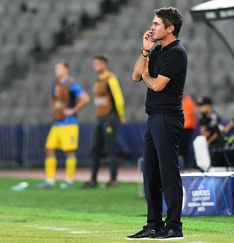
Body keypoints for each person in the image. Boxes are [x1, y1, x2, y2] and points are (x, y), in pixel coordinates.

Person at [128, 7, 186, 240]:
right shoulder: (157, 50)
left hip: (167, 117)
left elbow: (157, 85)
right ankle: (153, 224)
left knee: (168, 171)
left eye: (156, 24)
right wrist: (145, 51)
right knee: (150, 172)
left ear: (169, 28)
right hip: (153, 116)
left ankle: (174, 226)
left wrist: (146, 75)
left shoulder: (176, 53)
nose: (151, 28)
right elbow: (135, 76)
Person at [37, 60, 90, 189]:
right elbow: (54, 99)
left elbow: (85, 98)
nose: (57, 71)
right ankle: (50, 180)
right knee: (49, 148)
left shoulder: (71, 84)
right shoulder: (55, 85)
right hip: (57, 123)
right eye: (56, 69)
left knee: (69, 151)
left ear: (66, 70)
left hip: (69, 124)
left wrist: (73, 110)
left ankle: (68, 180)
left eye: (59, 68)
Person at [83, 55, 125, 188]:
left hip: (110, 117)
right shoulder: (98, 80)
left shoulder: (110, 78)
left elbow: (118, 98)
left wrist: (121, 115)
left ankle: (113, 179)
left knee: (110, 148)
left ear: (104, 64)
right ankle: (93, 179)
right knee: (95, 148)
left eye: (97, 64)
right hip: (100, 118)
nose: (94, 66)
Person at [179, 95, 197, 169]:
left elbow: (194, 112)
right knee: (182, 148)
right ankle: (183, 164)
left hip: (187, 127)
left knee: (183, 148)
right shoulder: (186, 100)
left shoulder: (188, 100)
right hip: (182, 126)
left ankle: (184, 165)